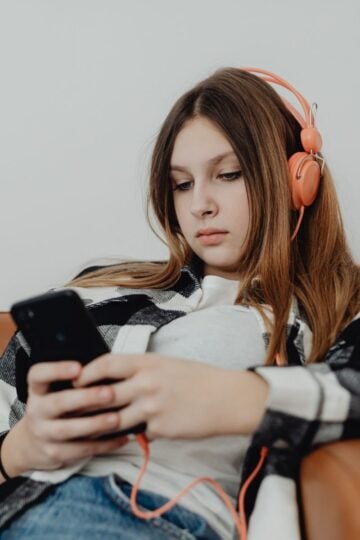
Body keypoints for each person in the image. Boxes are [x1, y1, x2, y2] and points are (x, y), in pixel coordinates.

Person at [0, 66, 359, 540]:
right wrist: (20, 449)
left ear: (300, 181)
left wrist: (232, 399)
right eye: (181, 184)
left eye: (228, 174)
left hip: (150, 518)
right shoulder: (100, 291)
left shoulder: (338, 306)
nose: (200, 205)